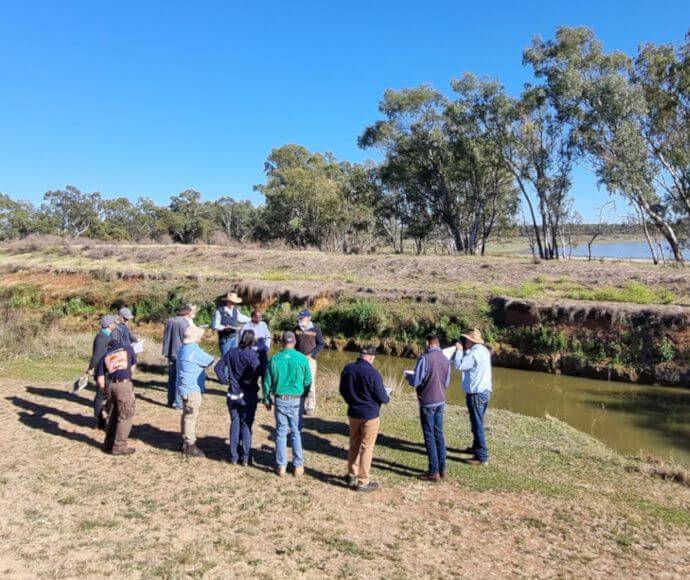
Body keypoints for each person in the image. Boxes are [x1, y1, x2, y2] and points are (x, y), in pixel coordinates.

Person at [339, 344, 390, 492]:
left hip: (353, 411)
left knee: (354, 443)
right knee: (367, 447)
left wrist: (352, 401)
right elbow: (382, 397)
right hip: (370, 414)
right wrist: (386, 397)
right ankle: (363, 481)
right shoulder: (373, 373)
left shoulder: (348, 368)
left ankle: (351, 474)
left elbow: (343, 390)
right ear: (371, 357)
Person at [262, 331, 312, 477]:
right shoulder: (302, 359)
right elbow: (308, 380)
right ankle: (298, 465)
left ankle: (281, 466)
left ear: (282, 342)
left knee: (281, 432)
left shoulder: (274, 359)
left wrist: (266, 398)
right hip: (296, 398)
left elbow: (267, 382)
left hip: (280, 399)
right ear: (295, 342)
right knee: (296, 432)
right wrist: (305, 394)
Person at [407, 333, 451, 482]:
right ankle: (443, 468)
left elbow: (417, 380)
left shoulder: (424, 359)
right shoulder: (446, 359)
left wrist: (409, 378)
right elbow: (447, 382)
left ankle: (433, 471)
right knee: (439, 433)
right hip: (441, 401)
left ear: (427, 343)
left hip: (427, 401)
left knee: (429, 435)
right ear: (438, 344)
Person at [215, 330, 261, 465]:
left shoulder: (231, 352)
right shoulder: (252, 355)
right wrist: (251, 381)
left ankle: (234, 456)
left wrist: (224, 381)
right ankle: (246, 457)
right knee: (246, 425)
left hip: (233, 393)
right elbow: (257, 371)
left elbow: (218, 367)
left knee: (235, 422)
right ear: (252, 341)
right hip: (248, 394)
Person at [453, 328, 492, 466]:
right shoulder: (482, 350)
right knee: (478, 421)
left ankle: (481, 457)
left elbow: (459, 365)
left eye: (465, 339)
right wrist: (464, 350)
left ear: (470, 341)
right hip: (485, 391)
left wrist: (458, 350)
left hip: (476, 394)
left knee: (477, 425)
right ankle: (476, 448)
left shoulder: (474, 355)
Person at [177, 324, 214, 458]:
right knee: (190, 417)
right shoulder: (194, 351)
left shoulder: (183, 349)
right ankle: (190, 445)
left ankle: (185, 440)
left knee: (186, 415)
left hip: (183, 388)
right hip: (191, 389)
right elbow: (210, 360)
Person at [95, 336, 137, 455]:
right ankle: (119, 446)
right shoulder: (128, 348)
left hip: (110, 385)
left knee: (112, 415)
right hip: (124, 384)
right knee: (125, 416)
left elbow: (100, 379)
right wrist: (127, 377)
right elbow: (133, 365)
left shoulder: (105, 356)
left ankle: (108, 444)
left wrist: (105, 391)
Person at [87, 314, 118, 430]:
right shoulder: (103, 338)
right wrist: (90, 368)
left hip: (106, 370)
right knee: (100, 397)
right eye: (114, 323)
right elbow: (97, 356)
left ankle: (102, 420)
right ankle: (98, 421)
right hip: (102, 372)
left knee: (104, 396)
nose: (115, 324)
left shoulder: (106, 335)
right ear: (110, 325)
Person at [162, 304, 195, 409]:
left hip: (170, 352)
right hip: (181, 353)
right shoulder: (185, 323)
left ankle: (169, 401)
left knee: (171, 378)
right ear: (188, 313)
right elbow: (188, 339)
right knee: (180, 379)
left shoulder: (170, 321)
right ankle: (178, 404)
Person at [294, 309, 324, 417]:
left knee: (310, 383)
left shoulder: (316, 329)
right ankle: (300, 405)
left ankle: (310, 406)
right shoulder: (296, 329)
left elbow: (321, 344)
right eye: (299, 318)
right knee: (298, 382)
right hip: (298, 360)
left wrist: (311, 355)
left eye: (302, 318)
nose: (300, 320)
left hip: (310, 360)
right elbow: (294, 344)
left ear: (309, 318)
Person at [240, 310, 271, 377]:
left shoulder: (263, 325)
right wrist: (251, 340)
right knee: (251, 372)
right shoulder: (245, 327)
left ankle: (264, 386)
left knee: (264, 371)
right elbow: (241, 340)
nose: (260, 318)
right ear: (252, 317)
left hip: (262, 351)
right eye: (257, 317)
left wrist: (266, 347)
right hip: (251, 351)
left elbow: (268, 337)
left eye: (261, 316)